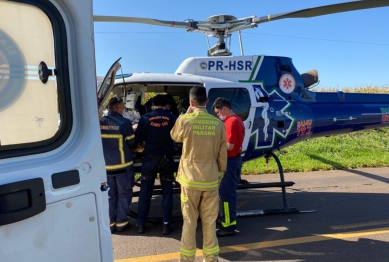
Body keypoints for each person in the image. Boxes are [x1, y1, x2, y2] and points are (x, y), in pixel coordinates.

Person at [171, 86, 227, 262]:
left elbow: (174, 136)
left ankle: (187, 259)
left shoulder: (185, 120)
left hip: (189, 180)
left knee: (189, 221)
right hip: (210, 180)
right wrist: (219, 175)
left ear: (191, 102)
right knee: (209, 222)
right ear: (208, 102)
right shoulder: (218, 123)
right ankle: (211, 258)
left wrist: (185, 113)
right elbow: (222, 154)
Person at [135, 94, 177, 235]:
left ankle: (141, 224)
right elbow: (178, 138)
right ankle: (166, 225)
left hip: (149, 159)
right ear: (166, 105)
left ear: (153, 104)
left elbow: (138, 139)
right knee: (167, 192)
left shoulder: (145, 118)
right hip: (166, 158)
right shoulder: (172, 118)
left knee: (145, 192)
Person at [100, 96, 136, 233]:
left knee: (109, 195)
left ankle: (110, 223)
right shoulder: (124, 123)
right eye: (123, 106)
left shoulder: (100, 122)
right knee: (124, 194)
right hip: (122, 166)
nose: (124, 109)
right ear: (118, 108)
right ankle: (121, 224)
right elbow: (132, 143)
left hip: (106, 167)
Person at [212, 97, 245, 237]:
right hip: (234, 160)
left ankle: (228, 225)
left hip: (229, 162)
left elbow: (229, 146)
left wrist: (213, 146)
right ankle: (226, 219)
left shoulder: (230, 122)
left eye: (218, 113)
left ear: (224, 109)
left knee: (226, 194)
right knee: (227, 193)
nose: (218, 116)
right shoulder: (238, 119)